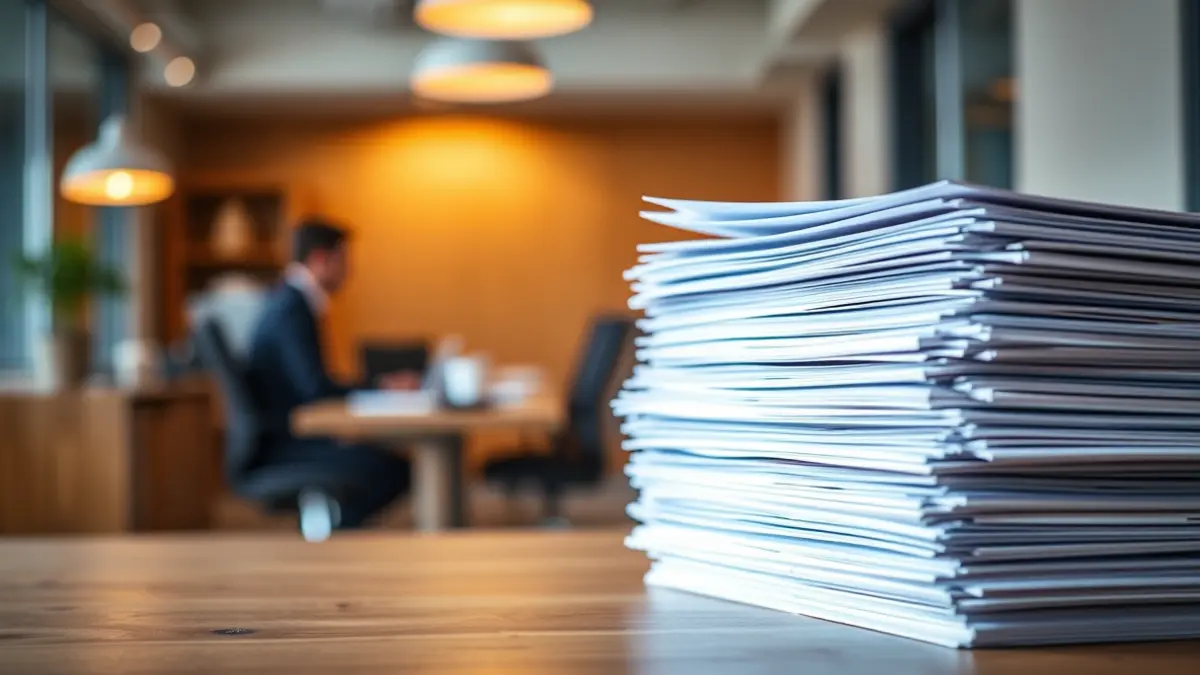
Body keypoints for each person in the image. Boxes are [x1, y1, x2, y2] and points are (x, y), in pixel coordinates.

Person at [246, 216, 418, 529]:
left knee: (391, 465)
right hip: (288, 444)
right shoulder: (292, 308)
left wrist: (375, 388)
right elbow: (314, 387)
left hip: (287, 436)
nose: (349, 271)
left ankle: (334, 534)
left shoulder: (291, 301)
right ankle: (335, 537)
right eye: (344, 261)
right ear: (321, 259)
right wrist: (378, 389)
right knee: (395, 470)